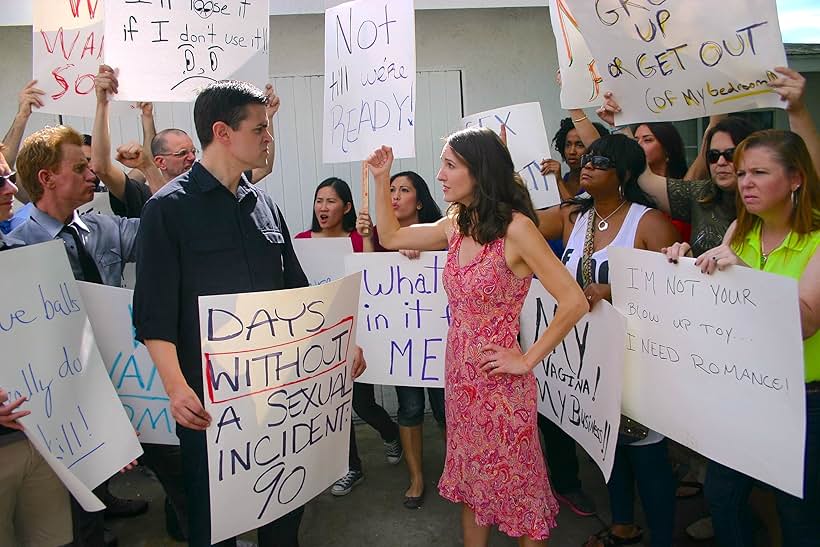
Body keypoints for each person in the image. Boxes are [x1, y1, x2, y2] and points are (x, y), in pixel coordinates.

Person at [133, 79, 365, 547]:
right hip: (210, 407)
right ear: (222, 131)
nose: (268, 137)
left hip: (279, 404)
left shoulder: (266, 207)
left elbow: (298, 296)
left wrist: (340, 349)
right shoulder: (166, 211)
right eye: (260, 127)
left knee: (284, 519)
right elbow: (152, 313)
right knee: (215, 524)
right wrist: (177, 390)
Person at [367, 127, 588, 546]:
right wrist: (381, 180)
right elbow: (391, 236)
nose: (440, 175)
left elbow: (573, 301)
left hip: (502, 387)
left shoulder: (518, 229)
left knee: (522, 494)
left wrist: (525, 359)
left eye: (450, 165)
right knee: (472, 486)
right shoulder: (457, 224)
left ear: (479, 171)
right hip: (462, 381)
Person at [665, 129, 820, 547]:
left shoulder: (817, 240)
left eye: (759, 172)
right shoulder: (740, 230)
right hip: (743, 390)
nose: (745, 181)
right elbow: (719, 305)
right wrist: (681, 267)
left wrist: (744, 275)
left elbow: (805, 323)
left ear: (795, 179)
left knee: (797, 512)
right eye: (741, 172)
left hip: (802, 399)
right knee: (722, 495)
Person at [537, 134, 680, 547]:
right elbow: (516, 225)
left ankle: (663, 538)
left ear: (626, 173)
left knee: (648, 458)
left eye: (601, 160)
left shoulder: (648, 222)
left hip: (638, 362)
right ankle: (622, 526)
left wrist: (614, 291)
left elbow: (675, 296)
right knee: (609, 452)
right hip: (588, 361)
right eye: (587, 157)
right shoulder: (572, 218)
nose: (587, 162)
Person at [11, 124, 143, 546]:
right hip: (55, 394)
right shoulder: (13, 249)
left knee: (105, 478)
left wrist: (148, 174)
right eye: (81, 167)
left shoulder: (102, 227)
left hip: (116, 372)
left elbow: (162, 232)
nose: (93, 175)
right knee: (70, 507)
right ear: (47, 178)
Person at [295, 176, 403, 496]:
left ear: (347, 207)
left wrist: (368, 236)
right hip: (318, 337)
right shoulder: (302, 240)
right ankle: (351, 467)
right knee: (334, 407)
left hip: (358, 335)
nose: (323, 207)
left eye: (330, 201)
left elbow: (376, 274)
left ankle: (390, 432)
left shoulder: (358, 239)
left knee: (362, 404)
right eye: (319, 200)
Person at [356, 170, 446, 509]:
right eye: (390, 189)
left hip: (438, 344)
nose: (394, 195)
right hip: (403, 347)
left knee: (445, 410)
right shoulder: (380, 237)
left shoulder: (444, 233)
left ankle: (458, 472)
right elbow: (370, 281)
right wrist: (368, 239)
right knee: (409, 408)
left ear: (420, 201)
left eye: (403, 190)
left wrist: (419, 246)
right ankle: (416, 478)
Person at [0, 144, 73, 547]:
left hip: (42, 441)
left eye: (10, 177)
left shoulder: (24, 255)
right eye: (0, 180)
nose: (11, 189)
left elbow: (59, 349)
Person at [537, 116, 609, 517]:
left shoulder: (584, 193)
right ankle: (565, 481)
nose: (576, 152)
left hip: (596, 318)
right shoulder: (552, 185)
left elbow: (573, 208)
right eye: (569, 144)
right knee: (556, 398)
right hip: (548, 303)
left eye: (584, 145)